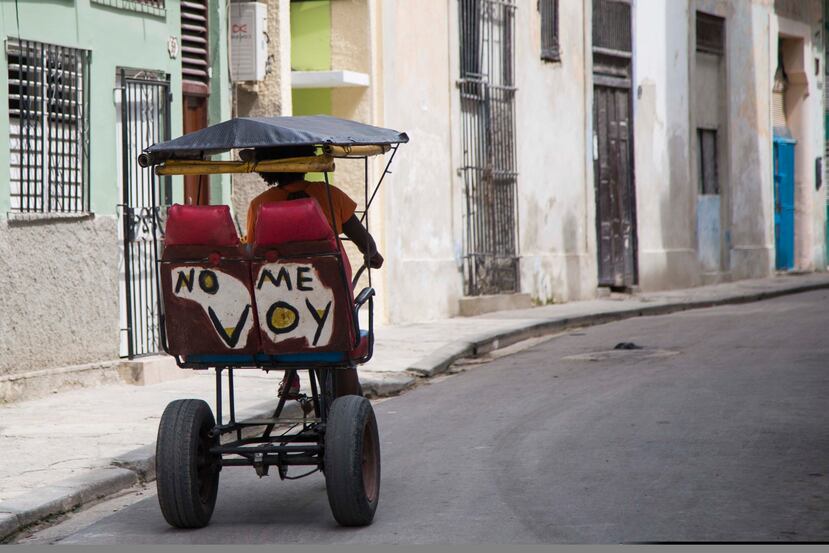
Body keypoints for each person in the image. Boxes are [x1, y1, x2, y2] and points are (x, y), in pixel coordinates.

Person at [244, 145, 383, 400]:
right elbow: (365, 242)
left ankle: (291, 372)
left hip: (277, 301)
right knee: (341, 341)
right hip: (331, 293)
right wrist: (372, 255)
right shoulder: (330, 195)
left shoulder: (260, 205)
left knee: (282, 304)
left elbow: (252, 254)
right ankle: (348, 395)